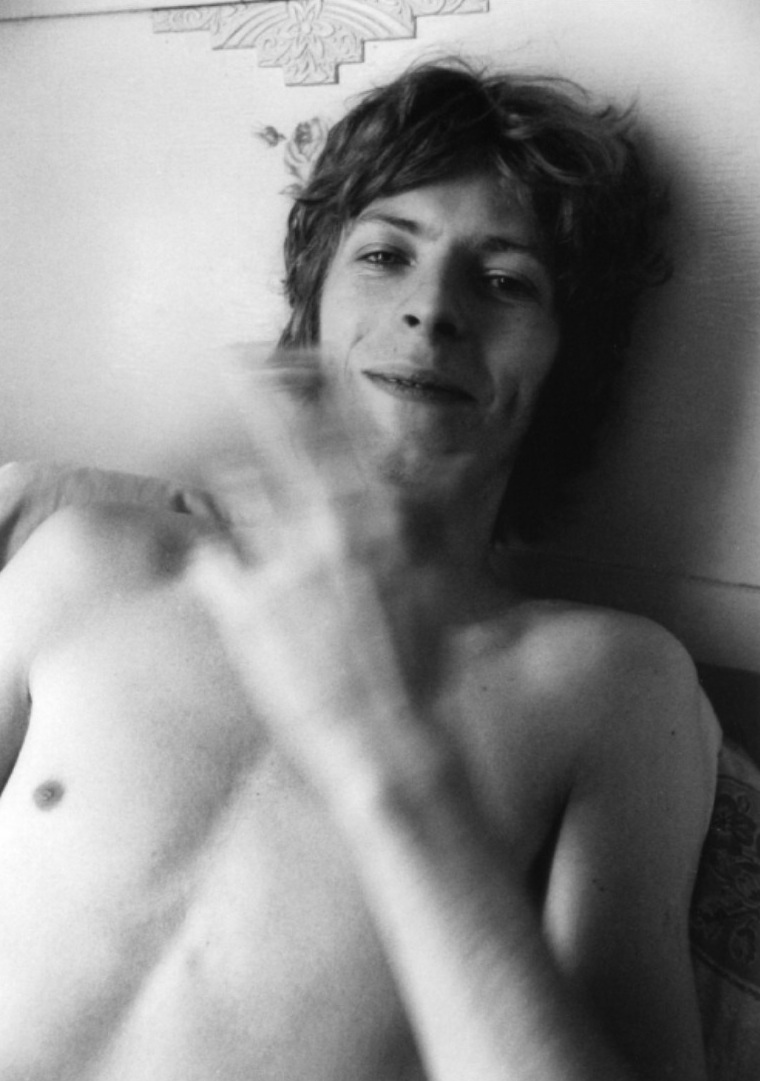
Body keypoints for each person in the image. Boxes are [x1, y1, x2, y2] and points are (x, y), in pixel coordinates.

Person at [0, 60, 721, 1080]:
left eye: (505, 281)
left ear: (568, 357)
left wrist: (383, 755)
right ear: (314, 302)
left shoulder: (613, 687)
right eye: (386, 255)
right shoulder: (87, 561)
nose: (432, 310)